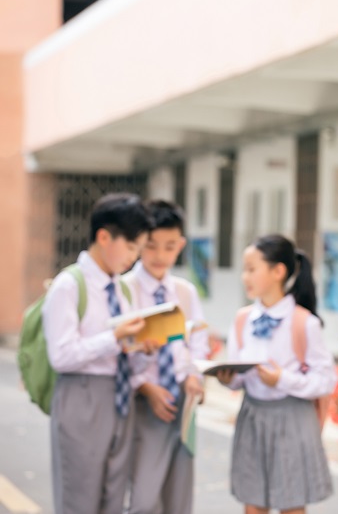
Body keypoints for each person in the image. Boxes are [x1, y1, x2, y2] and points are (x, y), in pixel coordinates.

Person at [42, 192, 154, 514]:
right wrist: (114, 338)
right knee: (79, 498)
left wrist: (142, 348)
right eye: (131, 247)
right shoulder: (69, 285)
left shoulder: (125, 286)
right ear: (104, 237)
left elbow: (125, 351)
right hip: (81, 395)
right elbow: (61, 356)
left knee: (114, 498)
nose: (134, 257)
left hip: (120, 398)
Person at [216, 234, 336, 514]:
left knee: (291, 504)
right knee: (253, 503)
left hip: (292, 419)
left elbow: (326, 380)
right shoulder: (242, 319)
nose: (244, 276)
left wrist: (282, 379)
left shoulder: (304, 322)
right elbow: (239, 376)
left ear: (278, 271)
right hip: (252, 416)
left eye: (251, 268)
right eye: (244, 269)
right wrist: (229, 379)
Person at [124, 199, 209, 514]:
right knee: (144, 500)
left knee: (179, 499)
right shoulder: (126, 289)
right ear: (139, 243)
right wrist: (145, 387)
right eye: (151, 246)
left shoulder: (185, 291)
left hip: (182, 403)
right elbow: (120, 351)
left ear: (181, 245)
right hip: (144, 403)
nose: (160, 256)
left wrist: (193, 376)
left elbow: (196, 342)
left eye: (170, 246)